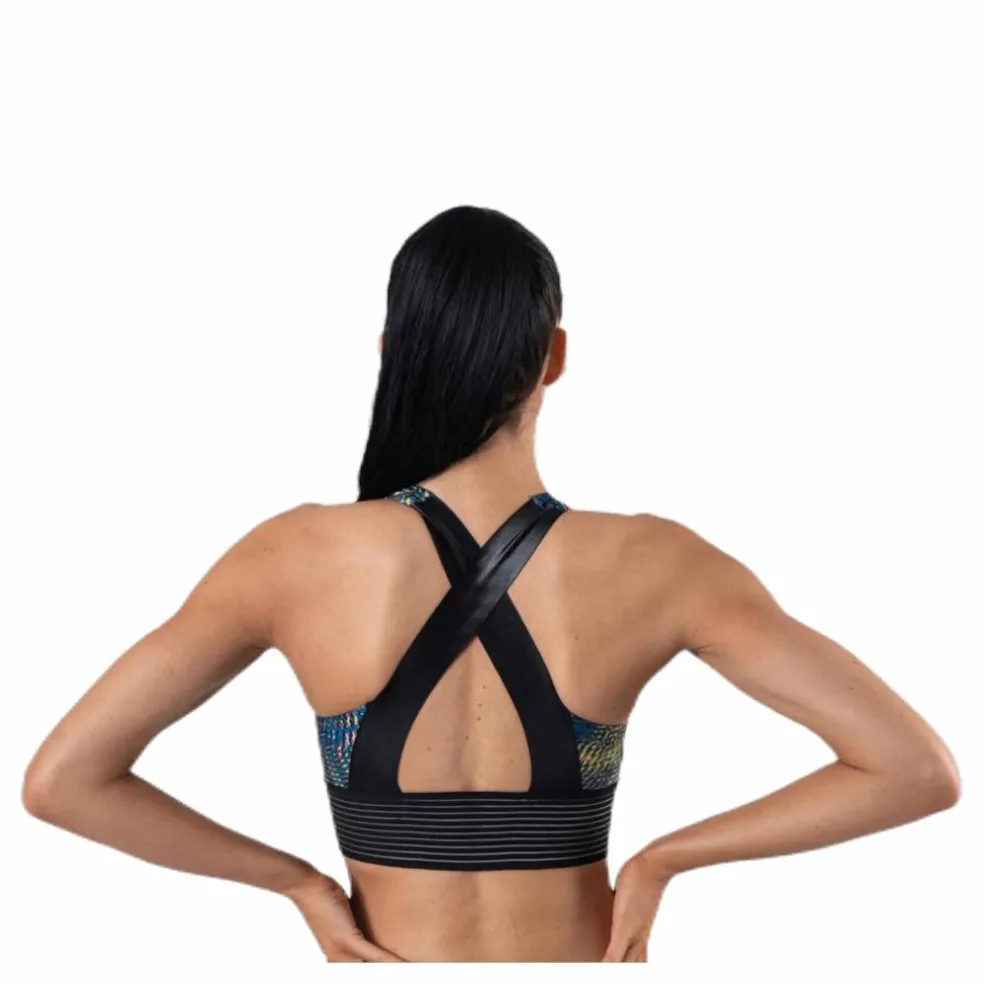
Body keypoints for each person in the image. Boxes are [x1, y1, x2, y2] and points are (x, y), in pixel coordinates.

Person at [22, 205, 961, 964]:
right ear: (555, 355)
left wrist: (297, 883)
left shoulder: (294, 557)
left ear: (390, 350)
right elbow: (913, 769)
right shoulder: (659, 564)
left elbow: (65, 782)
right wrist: (662, 860)